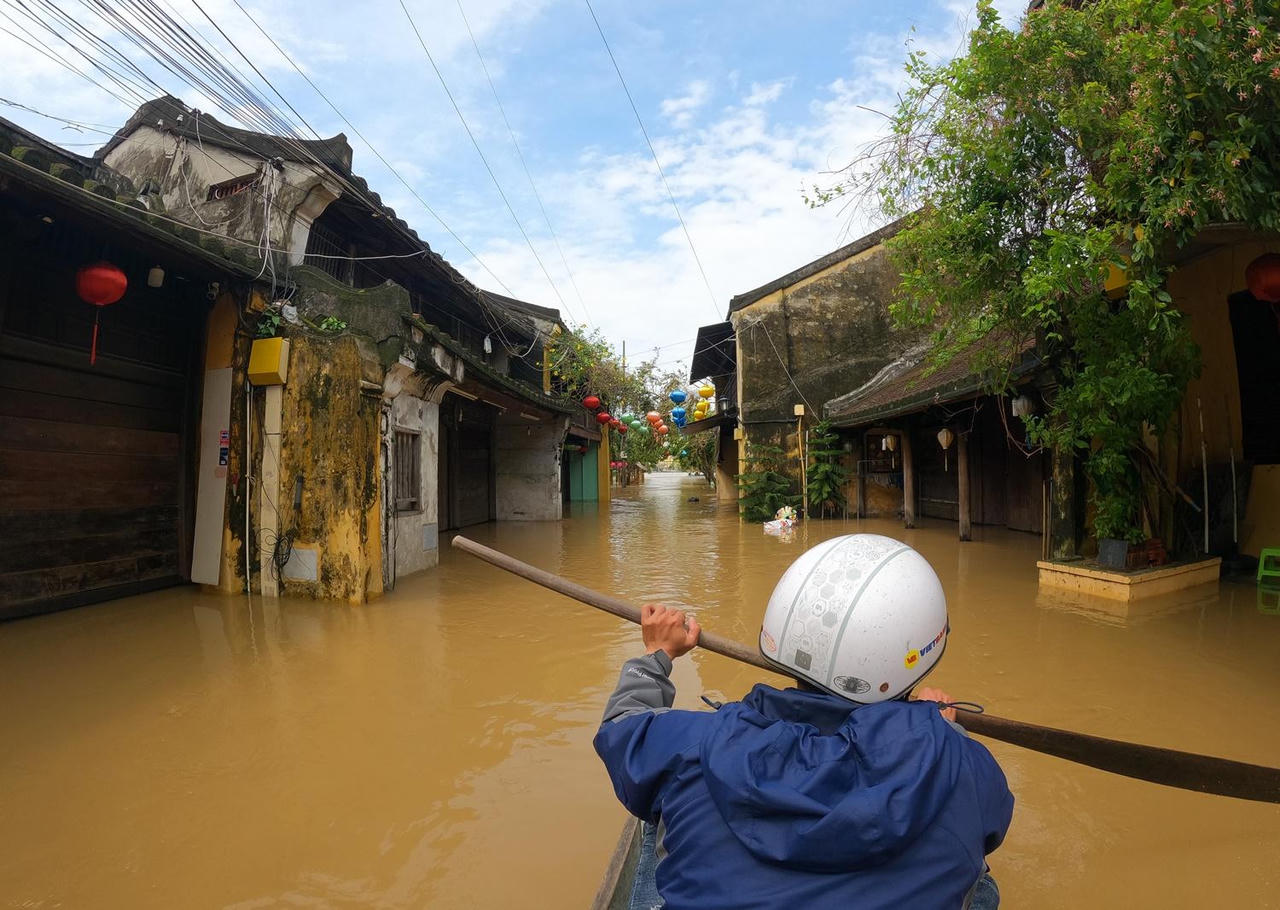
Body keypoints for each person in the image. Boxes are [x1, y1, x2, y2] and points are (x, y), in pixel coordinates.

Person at [594, 533, 1014, 910]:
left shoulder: (692, 745)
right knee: (980, 880)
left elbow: (622, 727)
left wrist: (657, 654)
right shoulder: (960, 762)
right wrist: (935, 729)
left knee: (658, 803)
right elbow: (992, 826)